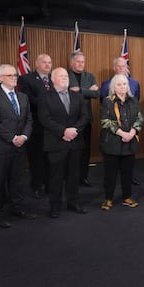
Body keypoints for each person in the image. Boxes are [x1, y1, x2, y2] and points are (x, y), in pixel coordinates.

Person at [0, 64, 35, 228]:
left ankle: (17, 208)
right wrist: (13, 138)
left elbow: (29, 119)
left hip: (20, 146)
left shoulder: (23, 97)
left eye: (15, 75)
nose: (14, 77)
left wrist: (24, 136)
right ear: (0, 78)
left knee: (17, 181)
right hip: (0, 148)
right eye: (10, 75)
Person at [39, 67, 91, 218]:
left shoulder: (77, 96)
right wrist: (64, 131)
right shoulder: (45, 97)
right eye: (61, 76)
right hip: (56, 142)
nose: (65, 78)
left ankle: (73, 202)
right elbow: (45, 119)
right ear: (53, 79)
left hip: (75, 141)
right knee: (56, 176)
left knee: (74, 175)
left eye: (66, 76)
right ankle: (55, 206)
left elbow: (85, 116)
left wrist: (74, 130)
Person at [99, 74, 143, 211]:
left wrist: (132, 133)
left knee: (127, 173)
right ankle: (108, 198)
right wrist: (122, 133)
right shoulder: (107, 101)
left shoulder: (134, 101)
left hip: (129, 142)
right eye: (119, 84)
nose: (122, 86)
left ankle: (127, 197)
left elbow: (140, 119)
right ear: (113, 87)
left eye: (124, 84)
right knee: (110, 173)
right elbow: (105, 121)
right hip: (112, 143)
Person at [100, 56, 141, 185]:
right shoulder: (106, 84)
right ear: (114, 68)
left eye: (123, 66)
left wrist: (130, 131)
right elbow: (103, 103)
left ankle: (130, 178)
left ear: (127, 67)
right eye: (118, 66)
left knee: (128, 160)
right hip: (113, 131)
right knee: (111, 166)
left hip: (130, 127)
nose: (120, 68)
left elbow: (136, 102)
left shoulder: (134, 83)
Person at [18, 53, 53, 198]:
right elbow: (28, 100)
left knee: (50, 159)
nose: (47, 65)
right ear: (37, 64)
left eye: (50, 62)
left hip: (52, 127)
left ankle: (49, 184)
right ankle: (37, 185)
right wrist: (51, 105)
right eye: (44, 62)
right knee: (36, 158)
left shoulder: (54, 79)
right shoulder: (26, 79)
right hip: (36, 126)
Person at [67, 51, 99, 187]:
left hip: (86, 119)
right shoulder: (65, 75)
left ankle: (83, 177)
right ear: (71, 63)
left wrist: (80, 90)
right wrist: (88, 91)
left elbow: (96, 93)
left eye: (83, 62)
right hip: (69, 120)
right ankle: (68, 177)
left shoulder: (89, 76)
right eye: (78, 62)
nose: (81, 64)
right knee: (70, 152)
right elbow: (66, 92)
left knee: (85, 151)